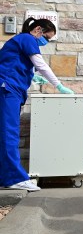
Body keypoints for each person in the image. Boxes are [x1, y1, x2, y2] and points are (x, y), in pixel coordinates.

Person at [0, 17, 74, 192]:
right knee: (9, 133)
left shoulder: (19, 42)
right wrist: (58, 85)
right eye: (47, 38)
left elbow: (15, 65)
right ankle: (15, 179)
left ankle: (6, 177)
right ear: (38, 30)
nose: (45, 42)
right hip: (8, 90)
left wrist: (33, 77)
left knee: (5, 133)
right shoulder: (27, 38)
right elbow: (41, 65)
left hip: (9, 90)